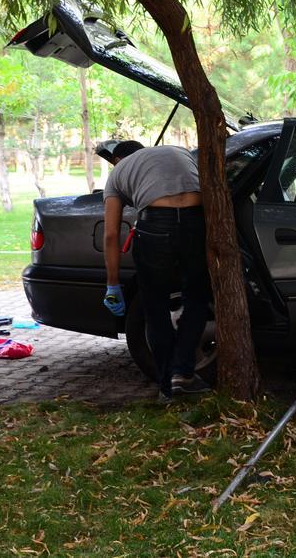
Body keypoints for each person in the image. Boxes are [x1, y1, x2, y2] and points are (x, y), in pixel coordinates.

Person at [100, 140, 211, 400]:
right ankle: (183, 373)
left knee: (156, 306)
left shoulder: (117, 172)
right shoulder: (179, 151)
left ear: (117, 159)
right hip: (196, 220)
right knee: (196, 298)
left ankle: (166, 387)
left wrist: (112, 284)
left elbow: (111, 234)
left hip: (155, 225)